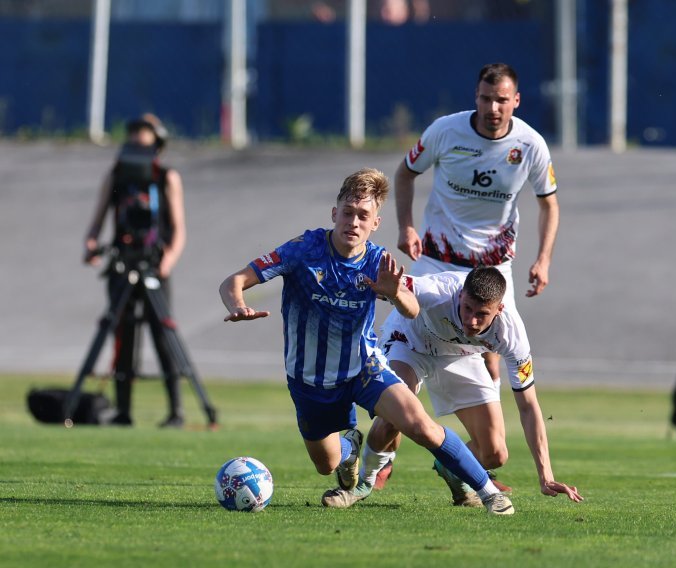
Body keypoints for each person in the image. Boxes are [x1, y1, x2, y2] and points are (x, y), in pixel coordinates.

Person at [219, 168, 515, 515]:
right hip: (310, 381)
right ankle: (349, 447)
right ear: (335, 213)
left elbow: (412, 308)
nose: (353, 222)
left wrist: (394, 293)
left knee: (421, 425)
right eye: (348, 213)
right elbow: (234, 280)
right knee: (326, 464)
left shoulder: (378, 261)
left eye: (363, 216)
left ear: (375, 223)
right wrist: (238, 306)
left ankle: (489, 492)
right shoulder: (303, 249)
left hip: (365, 369)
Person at [382, 61, 560, 484]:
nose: (492, 107)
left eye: (502, 99)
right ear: (475, 97)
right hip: (438, 264)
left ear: (516, 101)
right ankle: (383, 449)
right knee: (408, 368)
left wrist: (544, 258)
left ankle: (459, 462)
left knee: (496, 368)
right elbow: (405, 173)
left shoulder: (531, 145)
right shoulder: (446, 130)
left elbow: (549, 203)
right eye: (485, 98)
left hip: (492, 275)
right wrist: (406, 226)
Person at [336, 266, 582, 508]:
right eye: (467, 308)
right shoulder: (439, 291)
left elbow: (529, 407)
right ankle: (363, 483)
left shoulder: (512, 334)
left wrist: (546, 475)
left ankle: (450, 466)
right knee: (395, 415)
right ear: (460, 295)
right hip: (409, 343)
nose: (471, 321)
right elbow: (380, 282)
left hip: (460, 355)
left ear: (500, 310)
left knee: (495, 453)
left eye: (482, 314)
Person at [83, 113, 187, 427]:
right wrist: (90, 243)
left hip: (155, 265)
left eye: (146, 137)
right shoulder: (116, 176)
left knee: (163, 334)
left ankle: (175, 412)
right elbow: (99, 216)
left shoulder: (167, 177)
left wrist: (168, 260)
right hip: (122, 263)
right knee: (123, 337)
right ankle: (123, 411)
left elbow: (179, 228)